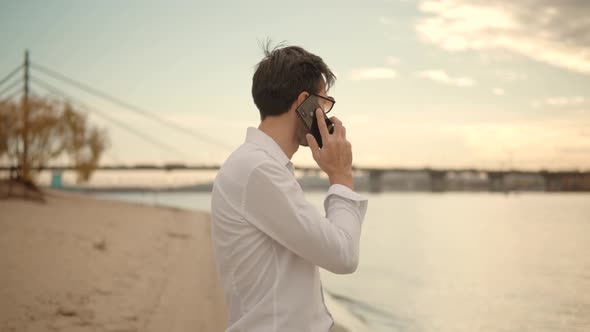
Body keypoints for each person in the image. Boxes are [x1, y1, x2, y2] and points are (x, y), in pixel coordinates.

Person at [210, 42, 368, 332]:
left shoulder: (259, 166)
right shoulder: (258, 170)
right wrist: (341, 174)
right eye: (324, 103)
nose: (327, 114)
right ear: (304, 102)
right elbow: (343, 255)